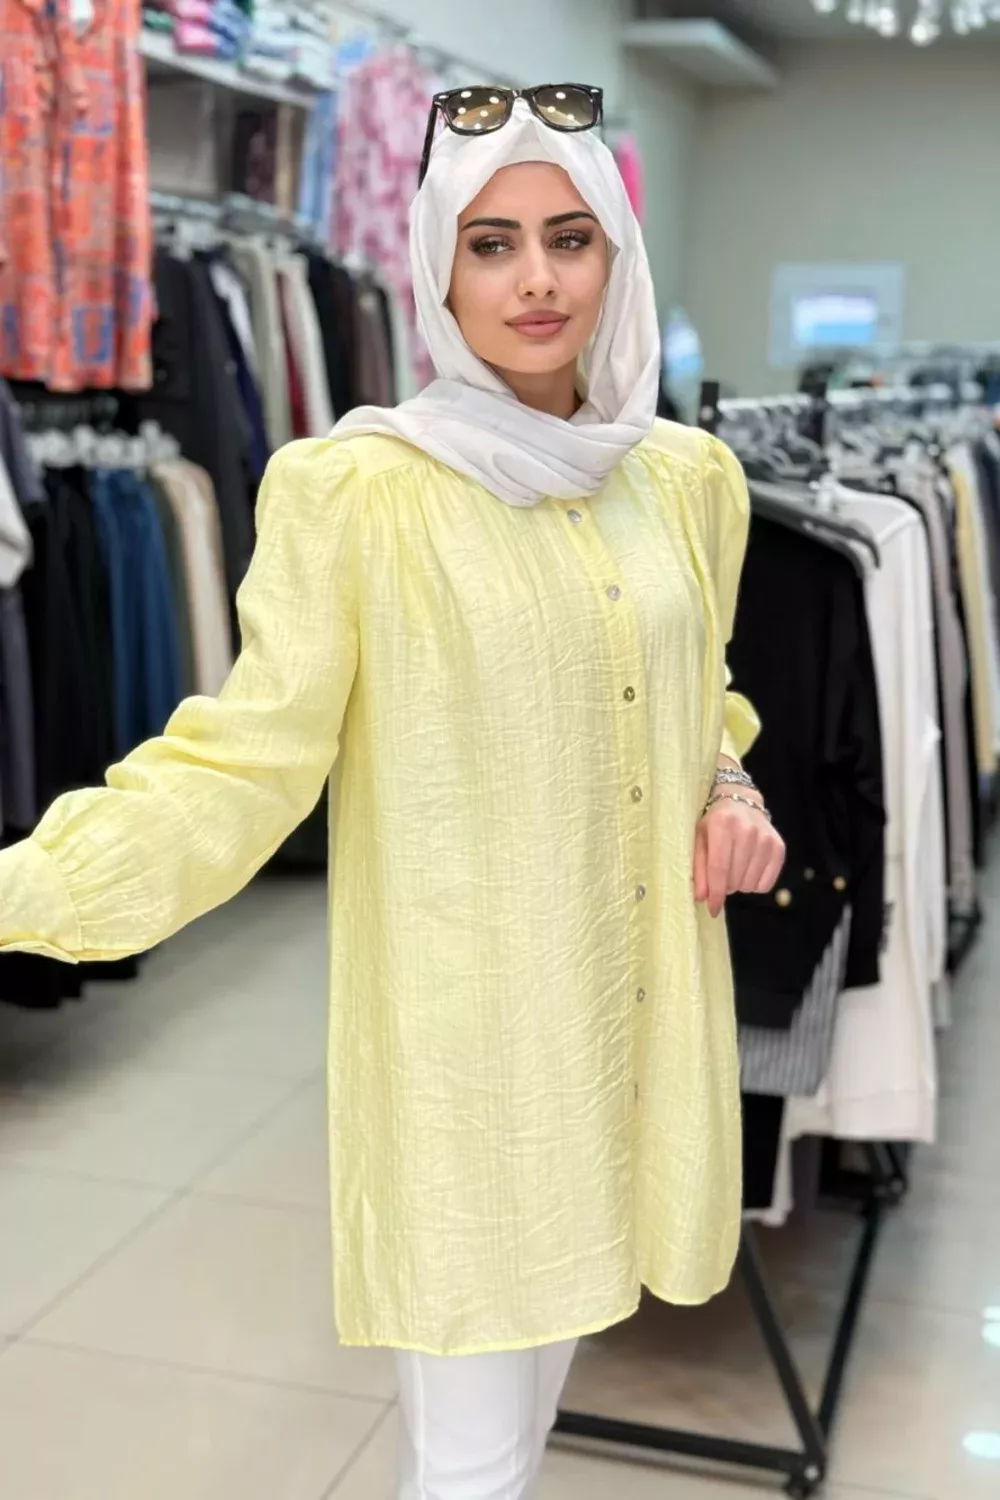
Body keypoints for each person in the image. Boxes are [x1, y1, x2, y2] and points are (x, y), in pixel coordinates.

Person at [0, 85, 784, 1498]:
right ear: (436, 266)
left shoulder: (684, 480)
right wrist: (27, 888)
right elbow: (242, 760)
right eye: (492, 243)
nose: (536, 279)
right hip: (475, 1058)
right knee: (471, 1466)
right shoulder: (358, 491)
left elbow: (700, 689)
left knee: (526, 1431)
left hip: (641, 1019)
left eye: (569, 238)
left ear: (616, 255)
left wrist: (731, 785)